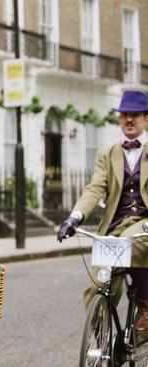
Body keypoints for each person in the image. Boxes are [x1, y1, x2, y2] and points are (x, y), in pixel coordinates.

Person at [57, 90, 148, 333]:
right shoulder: (107, 155)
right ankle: (101, 339)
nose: (129, 120)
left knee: (131, 242)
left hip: (144, 224)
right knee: (99, 284)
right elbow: (94, 188)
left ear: (146, 119)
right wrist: (74, 217)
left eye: (135, 115)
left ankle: (146, 304)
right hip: (115, 227)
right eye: (124, 115)